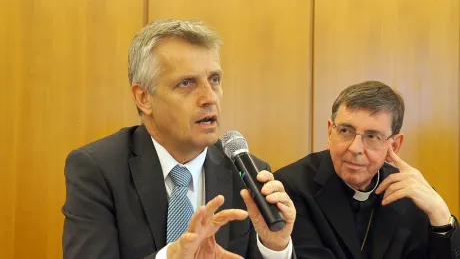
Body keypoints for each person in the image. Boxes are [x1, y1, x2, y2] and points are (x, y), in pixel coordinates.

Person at [62, 19, 296, 259]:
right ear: (143, 97)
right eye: (186, 83)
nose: (209, 98)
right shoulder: (98, 170)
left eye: (214, 80)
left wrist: (275, 247)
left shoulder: (248, 175)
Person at [275, 81, 460, 259]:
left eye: (372, 136)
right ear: (331, 132)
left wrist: (441, 218)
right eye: (346, 131)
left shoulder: (411, 197)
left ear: (394, 145)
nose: (355, 148)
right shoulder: (292, 186)